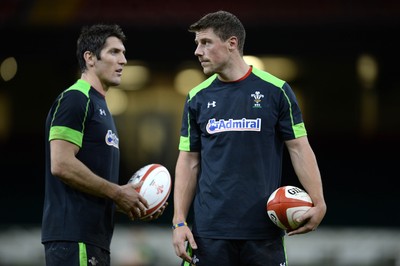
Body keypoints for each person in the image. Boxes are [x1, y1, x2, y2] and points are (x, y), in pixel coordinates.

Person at [172, 10, 327, 266]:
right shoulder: (196, 97)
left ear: (232, 43)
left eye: (206, 42)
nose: (197, 51)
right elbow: (188, 161)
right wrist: (179, 221)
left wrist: (319, 202)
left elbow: (299, 148)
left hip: (263, 233)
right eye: (197, 44)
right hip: (208, 234)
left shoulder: (277, 91)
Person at [41, 24, 166, 266]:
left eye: (124, 53)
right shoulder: (76, 99)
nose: (124, 60)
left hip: (92, 240)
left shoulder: (102, 107)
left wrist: (130, 202)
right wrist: (117, 192)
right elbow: (61, 164)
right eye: (114, 52)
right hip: (73, 239)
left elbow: (90, 184)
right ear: (90, 58)